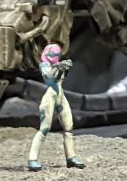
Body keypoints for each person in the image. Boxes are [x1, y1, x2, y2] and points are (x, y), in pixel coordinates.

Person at [26, 43, 86, 171]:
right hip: (50, 96)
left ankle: (71, 157)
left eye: (57, 55)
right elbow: (50, 78)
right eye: (53, 54)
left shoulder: (56, 64)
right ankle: (32, 159)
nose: (55, 56)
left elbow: (62, 77)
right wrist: (59, 67)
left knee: (68, 127)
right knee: (44, 128)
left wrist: (66, 67)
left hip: (60, 95)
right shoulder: (44, 65)